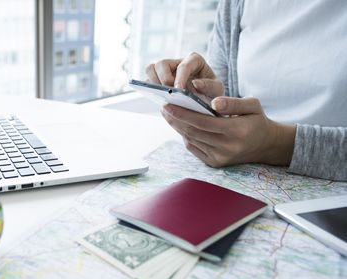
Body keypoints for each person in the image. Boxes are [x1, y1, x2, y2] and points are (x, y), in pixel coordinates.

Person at [145, 0, 347, 181]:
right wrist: (207, 100)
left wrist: (275, 143)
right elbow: (229, 98)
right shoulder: (235, 4)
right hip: (252, 183)